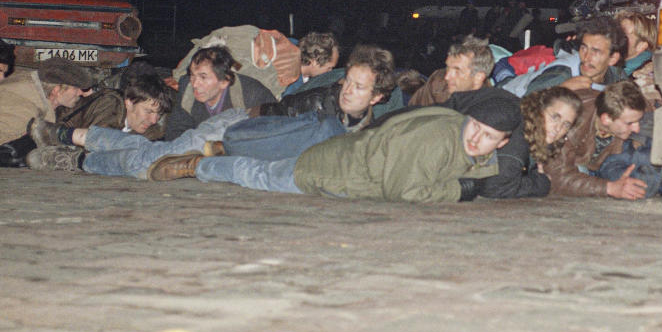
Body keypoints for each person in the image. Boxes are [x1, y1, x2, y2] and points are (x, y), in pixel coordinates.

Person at [146, 89, 522, 204]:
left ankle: (213, 157)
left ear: (502, 141)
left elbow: (484, 170)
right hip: (328, 170)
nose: (476, 138)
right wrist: (458, 189)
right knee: (255, 175)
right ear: (466, 120)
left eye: (487, 135)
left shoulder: (465, 141)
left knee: (258, 170)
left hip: (348, 161)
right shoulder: (438, 138)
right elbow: (403, 190)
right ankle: (196, 166)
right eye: (475, 127)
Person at [215, 45, 396, 160]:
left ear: (376, 97)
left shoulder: (368, 127)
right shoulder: (319, 106)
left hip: (268, 138)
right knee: (205, 137)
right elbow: (263, 132)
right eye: (347, 81)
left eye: (359, 87)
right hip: (253, 116)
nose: (347, 91)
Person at [26, 73, 175, 171]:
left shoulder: (155, 129)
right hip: (45, 134)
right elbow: (97, 147)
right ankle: (56, 135)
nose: (154, 120)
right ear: (129, 103)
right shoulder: (111, 104)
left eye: (159, 113)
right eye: (148, 111)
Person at [544, 80, 652, 200]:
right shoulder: (570, 124)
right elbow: (558, 177)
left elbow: (648, 107)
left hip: (604, 164)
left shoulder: (624, 109)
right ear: (606, 119)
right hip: (576, 169)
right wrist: (609, 188)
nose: (636, 129)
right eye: (630, 123)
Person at [473, 86, 581, 199]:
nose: (558, 128)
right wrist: (539, 185)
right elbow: (495, 187)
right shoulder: (518, 129)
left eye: (566, 124)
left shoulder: (536, 135)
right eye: (555, 117)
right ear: (539, 109)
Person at [164, 45, 275, 140]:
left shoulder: (252, 94)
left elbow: (272, 133)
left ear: (224, 81)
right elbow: (175, 132)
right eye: (193, 75)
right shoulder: (187, 88)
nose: (195, 84)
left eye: (203, 77)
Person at [499, 15, 627, 97]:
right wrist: (559, 91)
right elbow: (523, 109)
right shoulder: (562, 75)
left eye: (596, 51)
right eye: (584, 47)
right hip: (505, 99)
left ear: (613, 59)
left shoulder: (617, 77)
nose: (586, 57)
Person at [0, 57, 93, 168]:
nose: (81, 93)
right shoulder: (23, 111)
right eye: (76, 89)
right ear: (57, 90)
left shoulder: (33, 91)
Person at [408, 35, 494, 106]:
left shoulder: (489, 106)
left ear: (478, 77)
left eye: (457, 70)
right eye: (447, 67)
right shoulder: (438, 81)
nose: (447, 76)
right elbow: (411, 113)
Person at [282, 32, 341, 96]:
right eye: (329, 68)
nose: (330, 71)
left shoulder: (288, 42)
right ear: (315, 63)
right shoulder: (293, 87)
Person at [615, 10, 657, 76]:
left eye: (623, 34)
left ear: (641, 46)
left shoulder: (639, 77)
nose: (614, 37)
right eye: (616, 31)